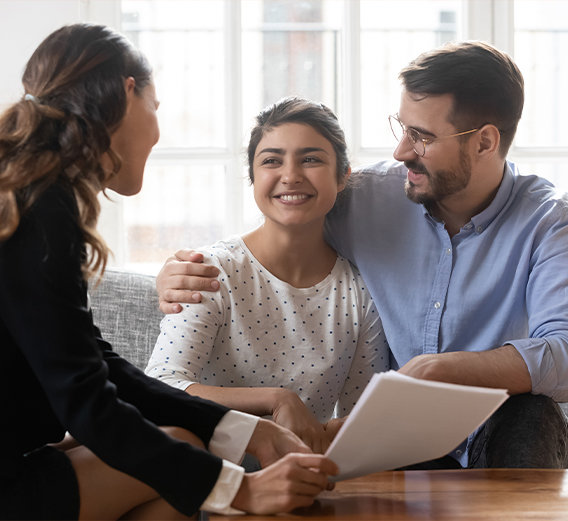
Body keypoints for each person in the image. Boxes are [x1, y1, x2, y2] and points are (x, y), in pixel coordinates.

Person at [156, 40, 568, 469]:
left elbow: (565, 351)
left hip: (491, 429)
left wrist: (441, 370)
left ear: (484, 142)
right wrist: (176, 269)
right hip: (396, 439)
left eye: (422, 137)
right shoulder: (365, 198)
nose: (401, 151)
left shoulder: (548, 222)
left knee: (533, 413)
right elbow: (285, 217)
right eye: (402, 127)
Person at [0, 23, 338, 521]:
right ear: (128, 93)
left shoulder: (33, 194)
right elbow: (86, 400)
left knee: (183, 443)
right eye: (156, 108)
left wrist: (247, 429)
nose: (159, 130)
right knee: (188, 461)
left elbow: (104, 369)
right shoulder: (38, 209)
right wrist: (243, 491)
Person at [144, 97, 389, 454]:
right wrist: (276, 400)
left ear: (343, 177)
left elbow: (358, 420)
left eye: (311, 159)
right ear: (253, 177)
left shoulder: (360, 293)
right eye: (272, 161)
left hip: (303, 476)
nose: (290, 175)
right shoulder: (212, 271)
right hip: (200, 469)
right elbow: (161, 385)